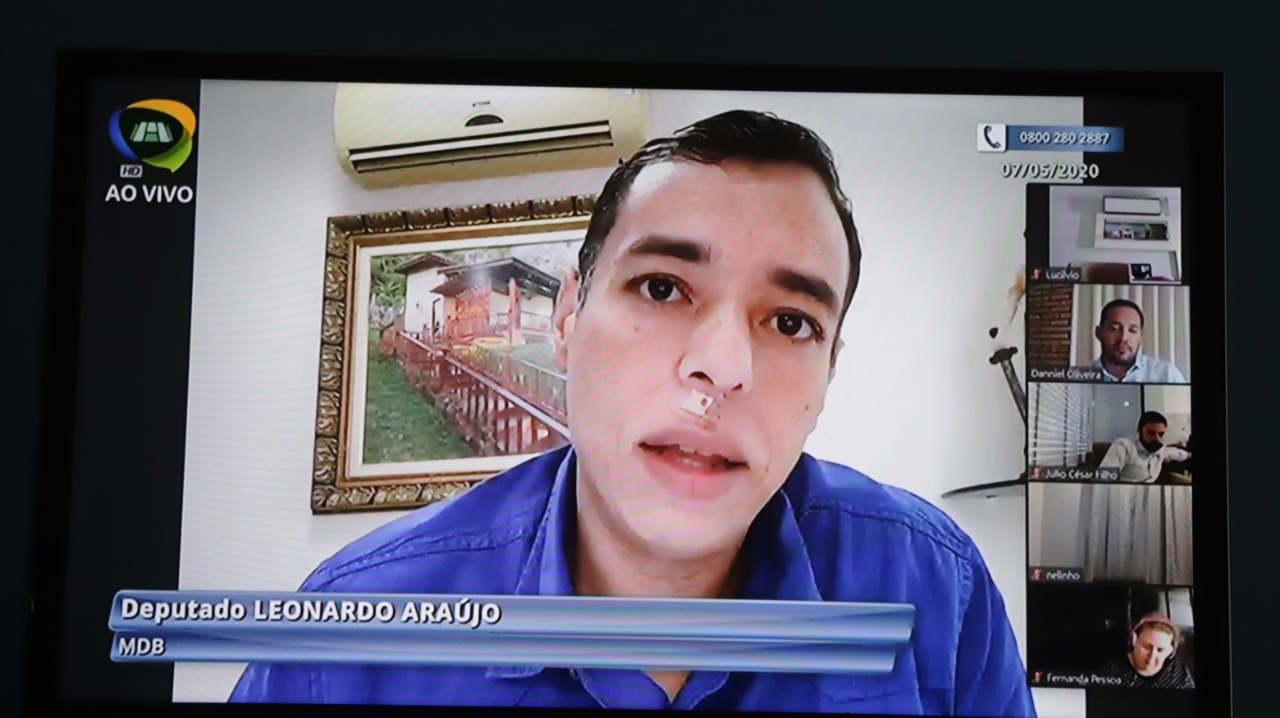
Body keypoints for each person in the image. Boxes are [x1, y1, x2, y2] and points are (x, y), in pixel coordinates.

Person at [230, 110, 1035, 714]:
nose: (722, 367)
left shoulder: (938, 590)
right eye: (661, 288)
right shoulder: (350, 636)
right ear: (569, 318)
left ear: (828, 374)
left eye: (791, 323)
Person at [1091, 298, 1187, 382]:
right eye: (1114, 329)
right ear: (1098, 333)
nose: (1124, 337)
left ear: (1141, 337)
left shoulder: (1167, 375)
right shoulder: (1084, 375)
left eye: (1132, 330)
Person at [1096, 614, 1195, 689]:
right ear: (1133, 641)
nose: (1152, 657)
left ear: (1171, 651)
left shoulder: (1179, 674)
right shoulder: (1111, 669)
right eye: (1146, 647)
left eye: (1160, 650)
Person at [1099, 411, 1192, 483]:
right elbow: (1103, 478)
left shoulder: (1160, 448)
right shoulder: (1124, 447)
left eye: (1161, 434)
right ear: (1139, 431)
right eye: (1151, 433)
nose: (1157, 438)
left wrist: (1189, 455)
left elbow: (1175, 453)